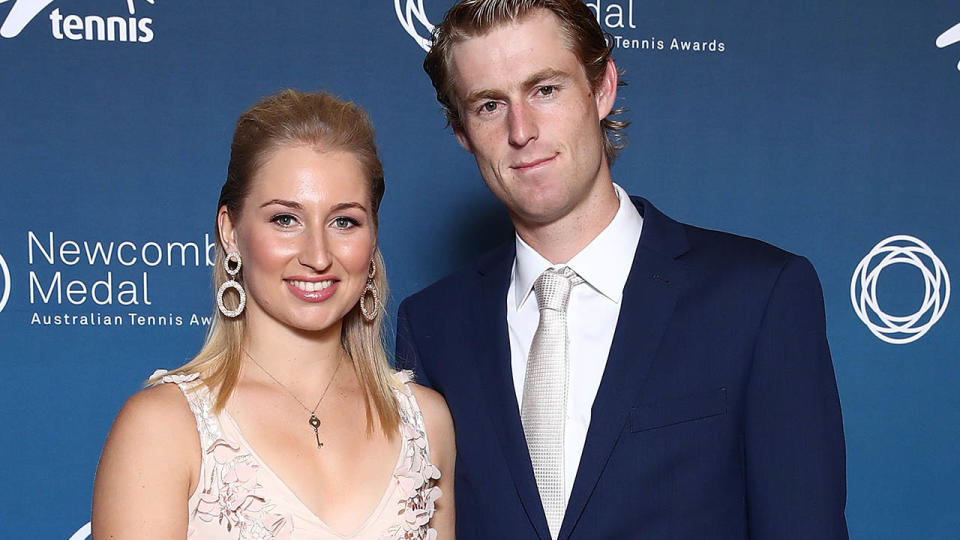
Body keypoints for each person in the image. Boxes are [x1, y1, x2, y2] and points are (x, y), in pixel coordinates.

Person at [395, 1, 847, 538]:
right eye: (490, 105)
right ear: (462, 132)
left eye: (546, 89)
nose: (522, 130)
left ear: (603, 87)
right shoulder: (431, 325)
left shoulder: (757, 296)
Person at [92, 90, 454, 539]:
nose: (318, 255)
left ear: (373, 237)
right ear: (231, 231)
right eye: (285, 219)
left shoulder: (426, 422)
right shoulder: (163, 427)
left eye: (344, 222)